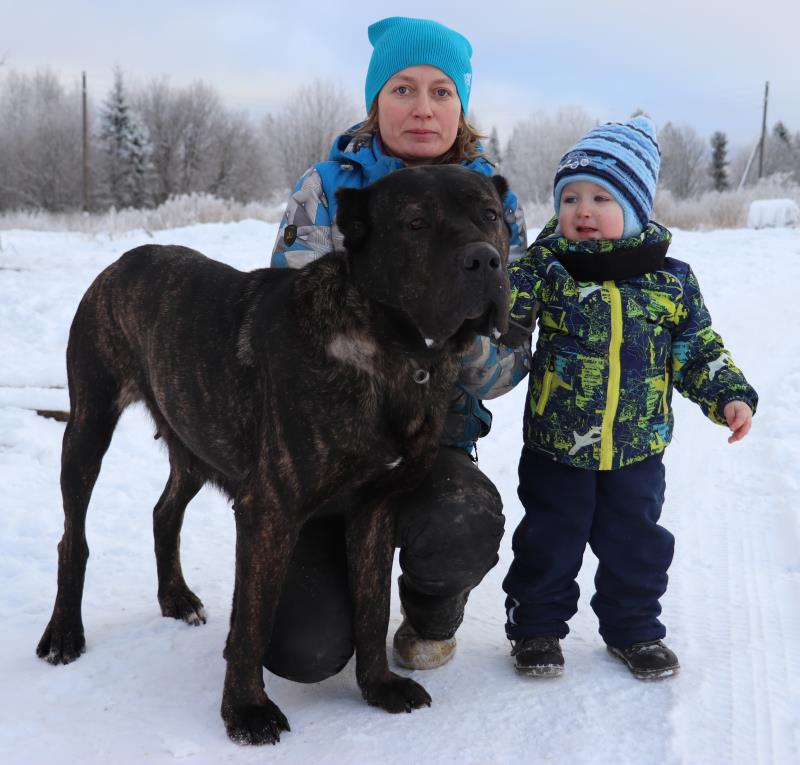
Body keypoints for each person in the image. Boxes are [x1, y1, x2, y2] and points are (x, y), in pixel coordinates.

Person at [266, 16, 528, 680]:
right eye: (402, 89)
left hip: (429, 443)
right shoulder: (328, 192)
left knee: (463, 522)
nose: (422, 107)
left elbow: (508, 358)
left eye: (441, 91)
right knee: (303, 651)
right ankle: (334, 579)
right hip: (328, 451)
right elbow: (289, 323)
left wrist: (458, 343)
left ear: (461, 106)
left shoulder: (494, 202)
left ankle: (430, 610)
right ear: (375, 101)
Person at [495, 116, 758, 679]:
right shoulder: (549, 270)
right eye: (570, 197)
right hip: (556, 446)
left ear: (636, 209)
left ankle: (634, 628)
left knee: (636, 544)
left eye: (600, 197)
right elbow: (504, 321)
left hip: (637, 449)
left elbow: (696, 346)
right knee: (548, 540)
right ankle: (536, 629)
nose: (582, 210)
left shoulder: (670, 282)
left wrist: (728, 394)